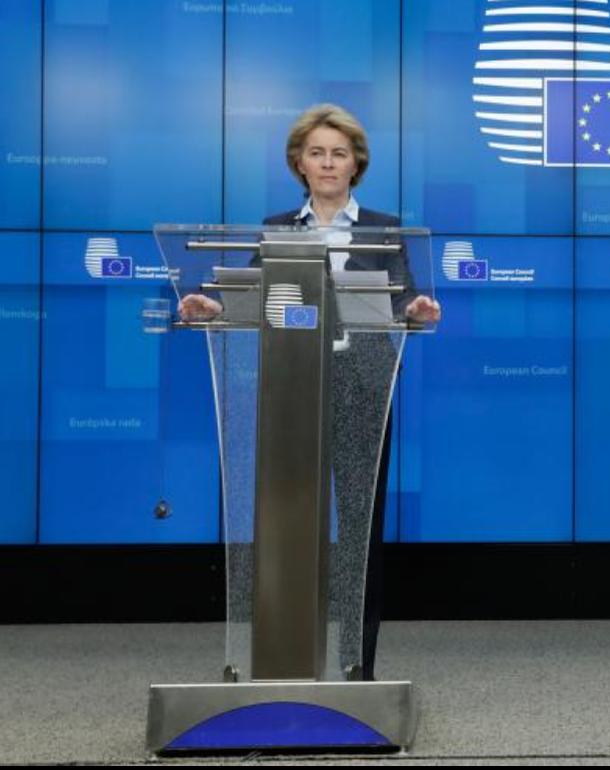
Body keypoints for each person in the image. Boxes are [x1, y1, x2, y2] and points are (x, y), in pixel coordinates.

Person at [180, 104, 439, 682]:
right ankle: (285, 658)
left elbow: (404, 301)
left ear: (356, 165)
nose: (328, 163)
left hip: (361, 391)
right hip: (290, 392)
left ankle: (356, 664)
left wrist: (417, 311)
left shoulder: (384, 229)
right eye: (317, 152)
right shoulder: (278, 228)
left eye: (339, 153)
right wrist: (214, 307)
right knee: (288, 520)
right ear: (300, 162)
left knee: (358, 531)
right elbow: (250, 295)